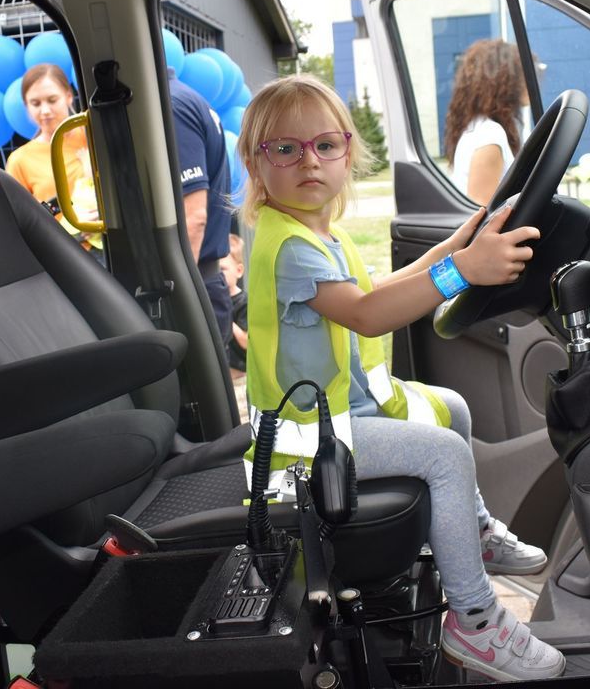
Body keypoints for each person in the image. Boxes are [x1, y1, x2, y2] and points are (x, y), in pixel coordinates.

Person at [237, 75, 564, 682]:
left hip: (343, 418)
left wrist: (456, 247)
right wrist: (463, 272)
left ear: (347, 157)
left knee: (452, 408)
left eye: (325, 146)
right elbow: (367, 315)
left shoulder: (317, 234)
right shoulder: (287, 248)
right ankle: (474, 620)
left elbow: (375, 290)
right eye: (285, 149)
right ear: (258, 167)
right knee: (443, 453)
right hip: (305, 443)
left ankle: (475, 531)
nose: (308, 161)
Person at [6, 63, 104, 256]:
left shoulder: (93, 136)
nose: (45, 111)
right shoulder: (20, 160)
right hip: (61, 256)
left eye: (52, 100)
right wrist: (72, 232)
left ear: (68, 96)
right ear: (26, 106)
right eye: (35, 104)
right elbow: (18, 222)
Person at [170, 71, 233, 353]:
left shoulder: (171, 105)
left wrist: (180, 295)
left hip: (194, 283)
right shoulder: (182, 96)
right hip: (202, 280)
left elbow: (194, 216)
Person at [444, 39, 530, 204]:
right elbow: (481, 213)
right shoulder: (490, 135)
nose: (529, 80)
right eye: (522, 73)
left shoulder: (478, 127)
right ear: (503, 80)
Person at [220, 232, 249, 376]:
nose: (218, 275)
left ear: (239, 271)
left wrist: (224, 319)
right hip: (225, 377)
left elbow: (246, 342)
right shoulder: (215, 301)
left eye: (222, 269)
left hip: (241, 377)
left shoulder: (244, 302)